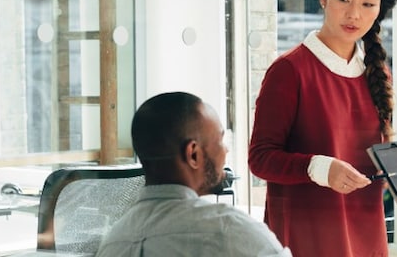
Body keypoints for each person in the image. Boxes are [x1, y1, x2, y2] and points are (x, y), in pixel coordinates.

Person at [247, 0, 397, 256]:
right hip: (307, 237)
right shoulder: (289, 71)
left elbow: (371, 157)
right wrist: (320, 168)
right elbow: (260, 158)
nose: (354, 14)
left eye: (367, 4)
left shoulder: (378, 74)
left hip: (365, 236)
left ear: (379, 10)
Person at [97, 92, 290, 257]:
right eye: (220, 141)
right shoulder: (230, 231)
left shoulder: (113, 243)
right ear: (193, 154)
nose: (226, 150)